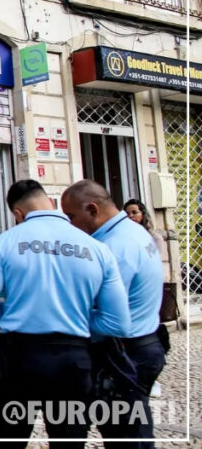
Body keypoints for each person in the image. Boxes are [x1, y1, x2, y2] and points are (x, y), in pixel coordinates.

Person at [0, 179, 131, 448]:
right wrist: (76, 316)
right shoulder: (98, 249)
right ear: (52, 203)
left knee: (5, 441)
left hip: (18, 358)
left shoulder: (2, 244)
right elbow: (119, 323)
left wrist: (17, 311)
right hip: (73, 361)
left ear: (18, 214)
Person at [62, 181, 166, 448]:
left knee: (125, 436)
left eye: (71, 216)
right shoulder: (132, 231)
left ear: (92, 209)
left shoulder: (115, 247)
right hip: (142, 344)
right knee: (133, 432)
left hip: (125, 353)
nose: (70, 224)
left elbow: (101, 310)